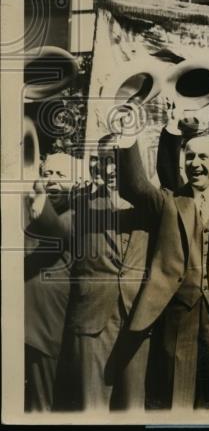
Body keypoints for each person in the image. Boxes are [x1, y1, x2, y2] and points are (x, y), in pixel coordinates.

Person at [118, 123, 209, 409]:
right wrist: (127, 136)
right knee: (178, 403)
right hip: (178, 320)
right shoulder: (170, 201)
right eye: (190, 157)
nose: (195, 163)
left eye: (203, 157)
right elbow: (135, 186)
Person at [26, 142, 154, 411]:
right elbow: (59, 230)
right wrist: (41, 207)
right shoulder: (82, 207)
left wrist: (128, 141)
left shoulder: (150, 207)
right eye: (103, 161)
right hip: (92, 321)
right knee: (91, 407)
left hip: (138, 319)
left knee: (133, 407)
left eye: (115, 160)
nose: (109, 169)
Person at [23, 153, 73, 412]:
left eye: (60, 175)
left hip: (43, 329)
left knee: (41, 406)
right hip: (22, 323)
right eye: (47, 173)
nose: (52, 180)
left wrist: (40, 200)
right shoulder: (28, 208)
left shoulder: (76, 214)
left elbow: (57, 231)